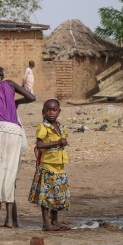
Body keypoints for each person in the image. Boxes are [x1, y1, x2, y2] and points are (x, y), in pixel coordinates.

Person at [0, 61, 36, 227]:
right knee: (10, 176)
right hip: (16, 132)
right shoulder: (10, 84)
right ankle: (10, 220)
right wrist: (16, 102)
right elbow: (31, 97)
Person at [28, 98, 71, 231]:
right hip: (47, 166)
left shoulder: (60, 127)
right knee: (46, 196)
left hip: (59, 166)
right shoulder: (43, 127)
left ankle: (55, 221)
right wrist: (57, 142)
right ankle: (46, 223)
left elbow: (62, 141)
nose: (51, 112)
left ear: (59, 112)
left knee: (56, 195)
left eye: (54, 110)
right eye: (48, 110)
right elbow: (39, 144)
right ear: (43, 112)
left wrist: (62, 142)